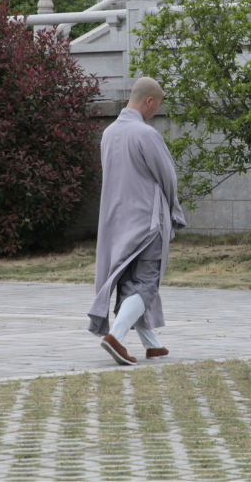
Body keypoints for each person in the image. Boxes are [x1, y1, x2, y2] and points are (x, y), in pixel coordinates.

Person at [87, 77, 186, 365]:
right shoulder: (146, 134)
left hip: (117, 223)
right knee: (146, 283)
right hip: (147, 223)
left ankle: (152, 344)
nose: (156, 112)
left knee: (131, 282)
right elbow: (168, 178)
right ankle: (116, 337)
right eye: (158, 107)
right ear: (149, 102)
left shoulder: (108, 133)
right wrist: (175, 215)